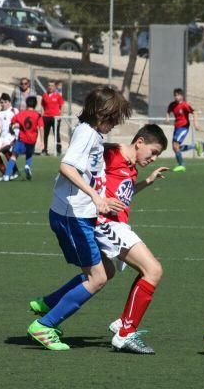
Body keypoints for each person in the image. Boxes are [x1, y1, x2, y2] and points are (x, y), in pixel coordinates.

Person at [26, 86, 131, 351]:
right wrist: (96, 197)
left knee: (105, 270)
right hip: (74, 216)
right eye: (114, 118)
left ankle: (48, 303)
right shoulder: (87, 134)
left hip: (75, 214)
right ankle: (46, 325)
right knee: (98, 278)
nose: (115, 124)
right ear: (101, 114)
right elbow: (66, 165)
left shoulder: (90, 133)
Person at [96, 125, 169, 354]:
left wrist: (147, 181)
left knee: (142, 272)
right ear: (139, 142)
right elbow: (85, 172)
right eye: (153, 152)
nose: (154, 158)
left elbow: (123, 193)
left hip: (120, 226)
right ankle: (125, 333)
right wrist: (99, 198)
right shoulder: (113, 153)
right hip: (106, 224)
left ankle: (123, 323)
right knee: (153, 270)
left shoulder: (132, 167)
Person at [3, 95, 43, 181]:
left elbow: (12, 122)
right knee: (29, 154)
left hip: (22, 139)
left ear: (26, 104)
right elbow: (41, 128)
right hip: (32, 140)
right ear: (35, 104)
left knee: (14, 156)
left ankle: (6, 175)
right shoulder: (38, 115)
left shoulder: (20, 113)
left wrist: (13, 128)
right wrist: (42, 141)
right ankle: (27, 165)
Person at [165, 88, 199, 172]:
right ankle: (195, 146)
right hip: (176, 127)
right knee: (175, 147)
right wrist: (167, 118)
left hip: (184, 127)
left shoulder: (184, 105)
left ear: (181, 96)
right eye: (175, 95)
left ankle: (181, 165)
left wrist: (195, 123)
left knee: (176, 146)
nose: (176, 97)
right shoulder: (172, 104)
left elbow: (194, 112)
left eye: (178, 95)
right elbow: (168, 111)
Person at [0, 92, 18, 178]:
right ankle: (5, 173)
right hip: (2, 136)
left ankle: (14, 171)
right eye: (1, 102)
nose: (3, 104)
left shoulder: (14, 111)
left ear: (9, 102)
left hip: (11, 136)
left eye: (5, 102)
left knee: (5, 149)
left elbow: (20, 122)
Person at [40, 80, 64, 155]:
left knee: (56, 133)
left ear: (55, 87)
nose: (50, 87)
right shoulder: (45, 95)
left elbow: (62, 105)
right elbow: (42, 105)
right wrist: (42, 115)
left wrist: (60, 115)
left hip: (55, 117)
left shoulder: (58, 95)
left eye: (52, 85)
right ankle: (44, 149)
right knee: (45, 134)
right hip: (46, 117)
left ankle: (58, 150)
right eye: (49, 85)